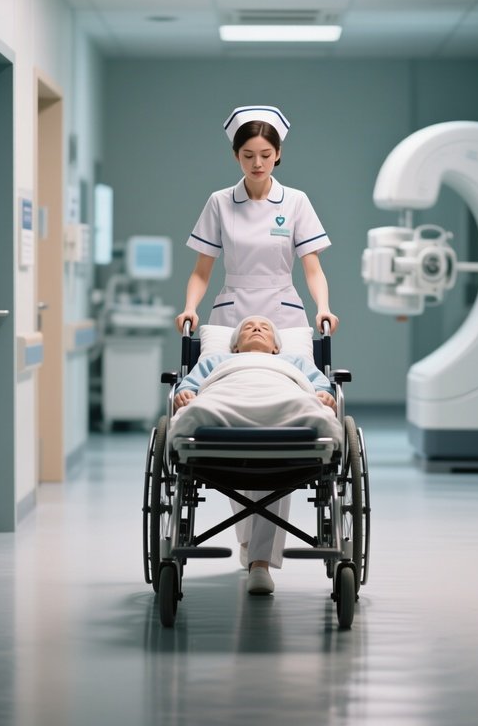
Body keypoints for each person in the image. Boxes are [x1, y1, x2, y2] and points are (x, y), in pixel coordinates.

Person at [171, 316, 340, 596]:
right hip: (227, 400)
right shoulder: (216, 362)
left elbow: (322, 388)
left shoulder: (295, 364)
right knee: (242, 433)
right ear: (235, 347)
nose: (257, 328)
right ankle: (255, 556)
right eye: (248, 327)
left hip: (283, 402)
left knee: (286, 430)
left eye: (265, 328)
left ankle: (259, 563)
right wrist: (185, 394)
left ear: (277, 348)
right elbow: (187, 386)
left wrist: (325, 397)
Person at [175, 105, 339, 336]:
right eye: (248, 156)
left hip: (283, 310)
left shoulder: (295, 201)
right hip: (232, 311)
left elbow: (313, 270)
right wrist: (189, 308)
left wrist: (324, 308)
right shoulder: (220, 202)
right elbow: (201, 271)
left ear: (278, 153)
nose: (257, 164)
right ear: (236, 155)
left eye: (266, 155)